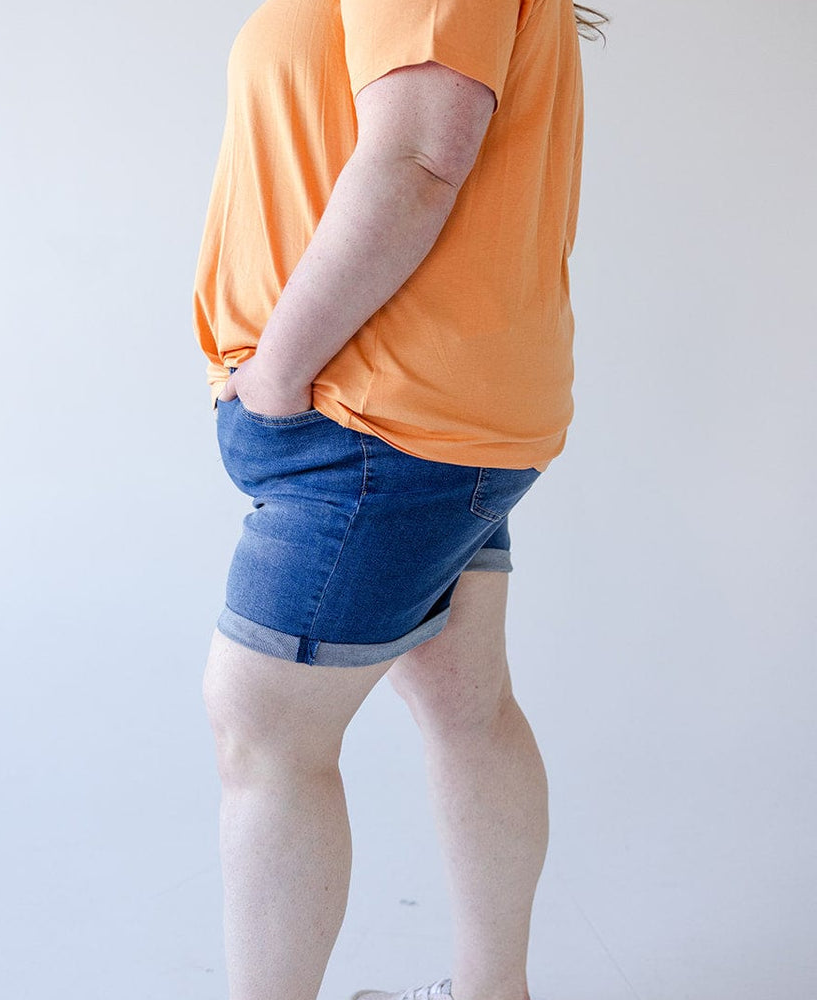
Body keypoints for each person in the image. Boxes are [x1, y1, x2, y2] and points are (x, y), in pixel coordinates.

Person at [191, 2, 608, 999]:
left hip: (372, 422)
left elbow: (421, 155)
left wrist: (278, 373)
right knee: (464, 702)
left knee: (262, 732)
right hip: (424, 413)